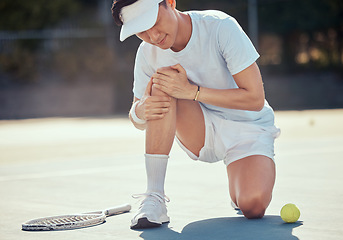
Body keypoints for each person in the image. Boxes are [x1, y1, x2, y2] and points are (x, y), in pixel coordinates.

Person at [111, 0, 280, 229]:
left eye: (154, 21)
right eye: (141, 30)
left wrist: (192, 92)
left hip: (248, 130)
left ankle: (240, 184)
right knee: (163, 82)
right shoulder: (147, 54)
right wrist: (140, 111)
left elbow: (254, 99)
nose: (153, 35)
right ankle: (154, 197)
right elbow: (138, 117)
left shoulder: (220, 27)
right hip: (199, 132)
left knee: (253, 205)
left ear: (170, 2)